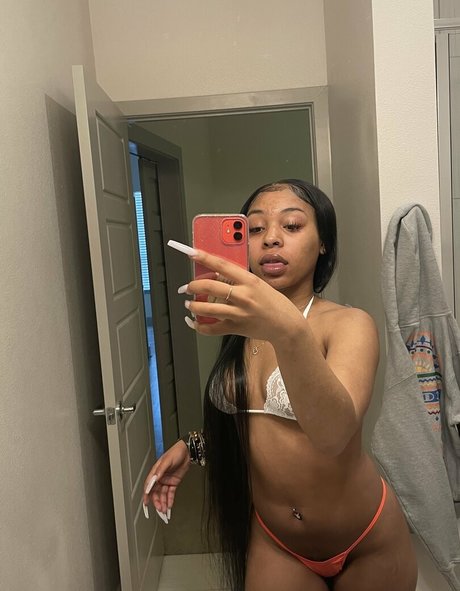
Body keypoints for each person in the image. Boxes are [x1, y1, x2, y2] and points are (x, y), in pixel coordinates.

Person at [143, 179, 417, 591]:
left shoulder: (349, 324)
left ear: (323, 243)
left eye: (291, 226)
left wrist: (287, 331)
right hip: (277, 542)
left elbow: (333, 434)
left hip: (365, 539)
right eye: (254, 228)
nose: (271, 238)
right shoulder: (238, 328)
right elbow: (255, 418)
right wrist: (194, 447)